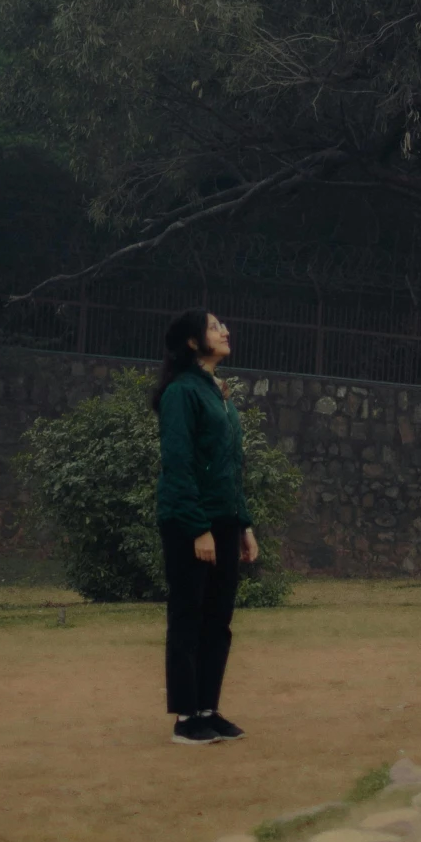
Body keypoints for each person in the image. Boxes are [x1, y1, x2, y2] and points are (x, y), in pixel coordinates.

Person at [154, 308, 259, 743]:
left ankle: (208, 708)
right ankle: (185, 718)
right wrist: (198, 528)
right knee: (188, 617)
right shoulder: (182, 393)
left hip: (225, 519)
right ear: (194, 342)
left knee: (218, 619)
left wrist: (245, 525)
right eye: (216, 327)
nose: (226, 330)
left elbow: (230, 466)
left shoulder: (219, 393)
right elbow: (179, 463)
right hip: (189, 521)